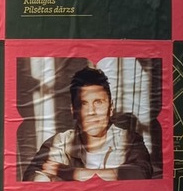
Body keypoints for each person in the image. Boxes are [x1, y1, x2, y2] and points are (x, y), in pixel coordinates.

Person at [24, 66, 154, 182]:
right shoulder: (59, 143)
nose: (91, 112)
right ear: (73, 111)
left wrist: (71, 173)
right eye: (83, 104)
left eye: (98, 102)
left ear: (111, 108)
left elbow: (140, 174)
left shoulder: (130, 141)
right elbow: (33, 179)